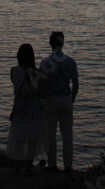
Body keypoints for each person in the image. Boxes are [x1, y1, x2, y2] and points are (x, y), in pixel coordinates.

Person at [39, 31, 78, 173]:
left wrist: (42, 98)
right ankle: (68, 166)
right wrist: (71, 99)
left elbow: (41, 83)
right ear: (63, 43)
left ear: (50, 43)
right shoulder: (71, 62)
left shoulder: (45, 62)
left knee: (51, 134)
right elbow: (76, 83)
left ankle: (52, 164)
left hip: (50, 99)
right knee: (67, 134)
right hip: (66, 99)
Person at [6, 43, 45, 175]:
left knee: (19, 138)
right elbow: (42, 93)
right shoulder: (37, 73)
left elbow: (15, 85)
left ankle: (17, 166)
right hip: (34, 110)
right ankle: (28, 166)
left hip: (19, 109)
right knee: (33, 138)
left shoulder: (13, 71)